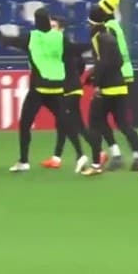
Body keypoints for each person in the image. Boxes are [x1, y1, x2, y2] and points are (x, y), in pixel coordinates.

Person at [0, 7, 67, 173]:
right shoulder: (59, 37)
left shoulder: (32, 37)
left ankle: (24, 161)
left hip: (38, 89)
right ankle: (75, 155)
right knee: (65, 121)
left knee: (25, 123)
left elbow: (6, 41)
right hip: (56, 87)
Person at [80, 8, 138, 175]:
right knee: (124, 124)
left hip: (107, 88)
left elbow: (102, 63)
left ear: (91, 22)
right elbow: (118, 60)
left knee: (95, 122)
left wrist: (96, 82)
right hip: (120, 85)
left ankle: (102, 161)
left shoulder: (98, 37)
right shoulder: (109, 36)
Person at [40, 16, 91, 172]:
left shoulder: (64, 44)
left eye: (53, 26)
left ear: (61, 29)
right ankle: (57, 158)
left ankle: (83, 155)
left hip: (70, 89)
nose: (50, 29)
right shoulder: (62, 44)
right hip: (69, 88)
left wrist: (70, 79)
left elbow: (78, 61)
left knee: (65, 122)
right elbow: (80, 65)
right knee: (70, 123)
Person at [94, 0, 138, 171]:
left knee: (100, 119)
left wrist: (98, 78)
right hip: (124, 75)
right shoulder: (116, 26)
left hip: (114, 77)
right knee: (122, 122)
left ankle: (117, 154)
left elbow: (109, 57)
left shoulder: (107, 29)